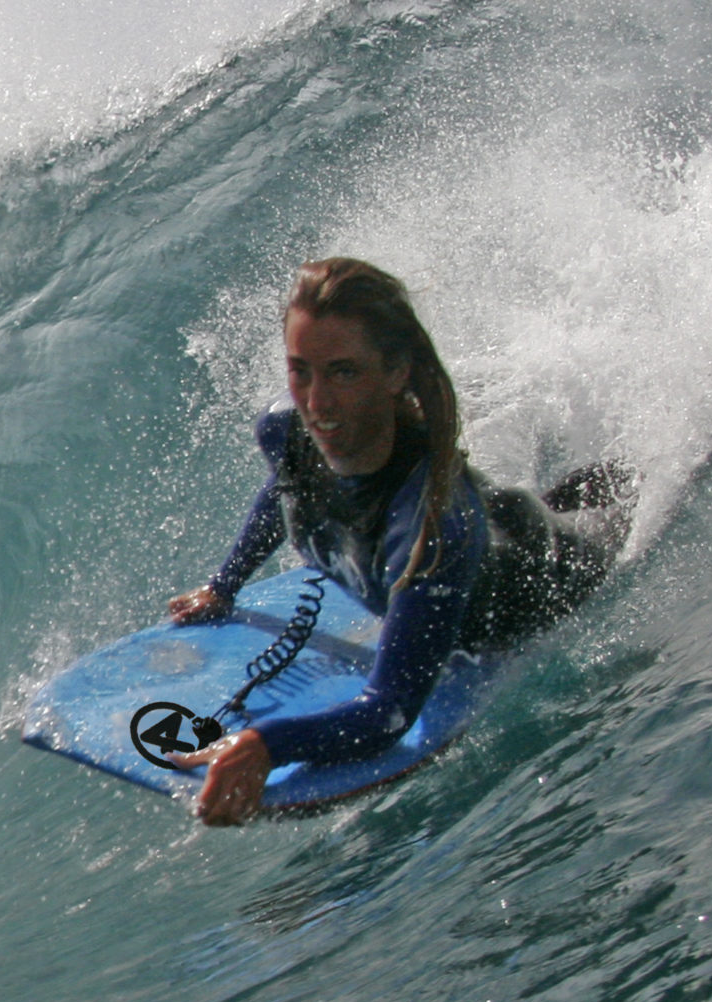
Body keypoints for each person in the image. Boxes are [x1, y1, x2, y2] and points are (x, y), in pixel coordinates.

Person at [166, 258, 626, 824]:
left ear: (395, 373)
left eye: (343, 372)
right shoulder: (286, 433)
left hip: (547, 572)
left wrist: (265, 744)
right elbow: (285, 489)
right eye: (300, 370)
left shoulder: (433, 535)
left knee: (612, 514)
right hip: (501, 521)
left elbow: (389, 712)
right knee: (539, 503)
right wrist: (223, 585)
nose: (317, 403)